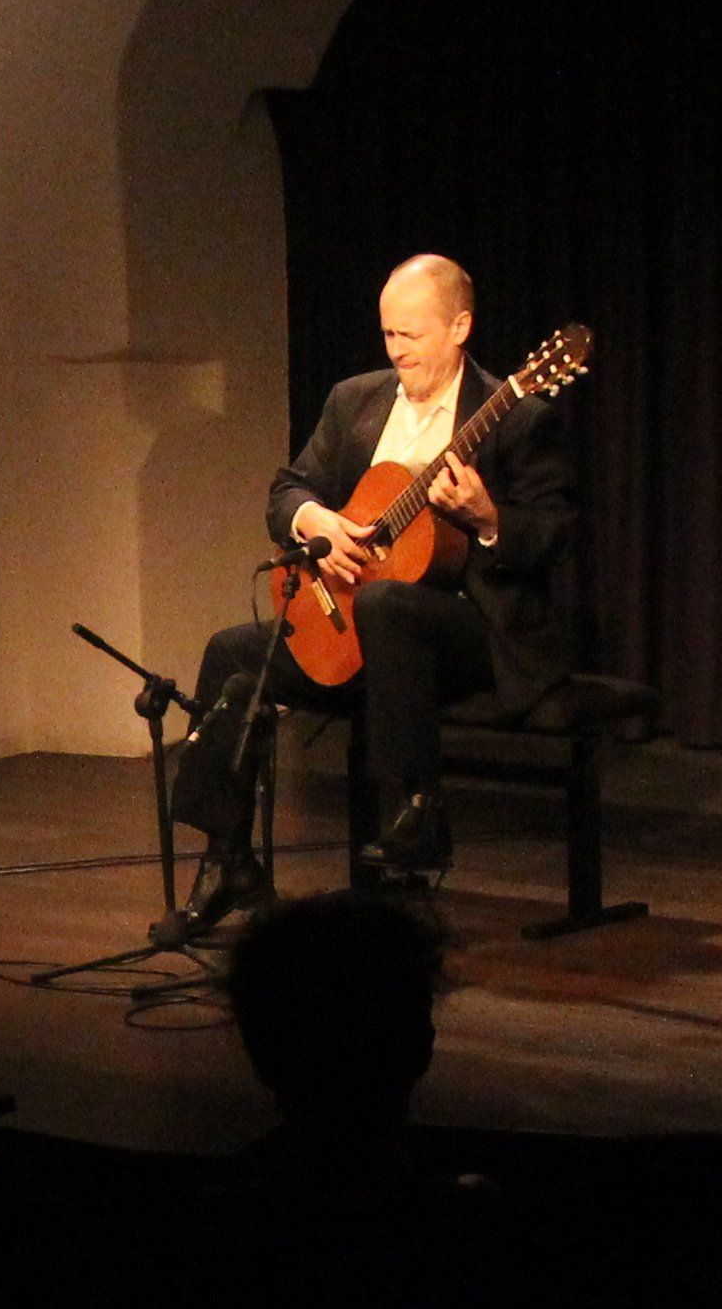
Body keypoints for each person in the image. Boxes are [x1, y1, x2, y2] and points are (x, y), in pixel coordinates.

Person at [164, 252, 579, 930]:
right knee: (232, 651)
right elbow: (287, 490)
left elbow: (555, 536)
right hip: (362, 626)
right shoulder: (354, 400)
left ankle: (416, 812)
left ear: (460, 327)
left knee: (389, 605)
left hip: (470, 633)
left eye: (410, 334)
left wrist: (488, 519)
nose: (396, 349)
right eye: (388, 333)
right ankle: (228, 861)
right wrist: (316, 520)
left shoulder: (516, 417)